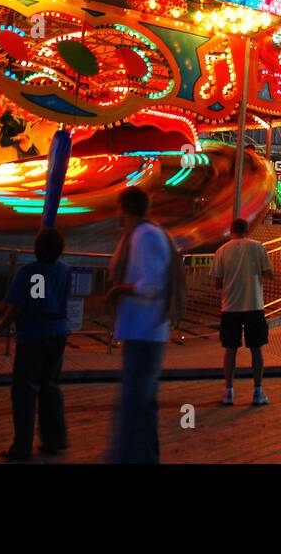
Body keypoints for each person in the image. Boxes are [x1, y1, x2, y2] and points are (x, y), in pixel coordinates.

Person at [0, 227, 71, 460]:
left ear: (37, 249)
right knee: (50, 387)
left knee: (25, 391)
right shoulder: (65, 271)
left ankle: (22, 446)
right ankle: (55, 439)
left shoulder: (31, 273)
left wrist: (1, 325)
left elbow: (24, 304)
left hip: (34, 335)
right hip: (59, 333)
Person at [107, 187, 178, 464]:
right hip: (143, 330)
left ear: (124, 208)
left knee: (135, 401)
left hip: (145, 331)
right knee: (142, 402)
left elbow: (151, 285)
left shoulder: (145, 236)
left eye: (118, 208)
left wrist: (120, 290)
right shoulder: (141, 234)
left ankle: (130, 456)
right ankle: (144, 456)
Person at [211, 217, 274, 407]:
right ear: (247, 230)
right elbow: (269, 274)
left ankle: (229, 392)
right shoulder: (257, 247)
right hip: (254, 305)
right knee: (256, 349)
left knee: (230, 350)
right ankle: (257, 392)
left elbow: (216, 283)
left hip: (230, 307)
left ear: (231, 231)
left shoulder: (221, 251)